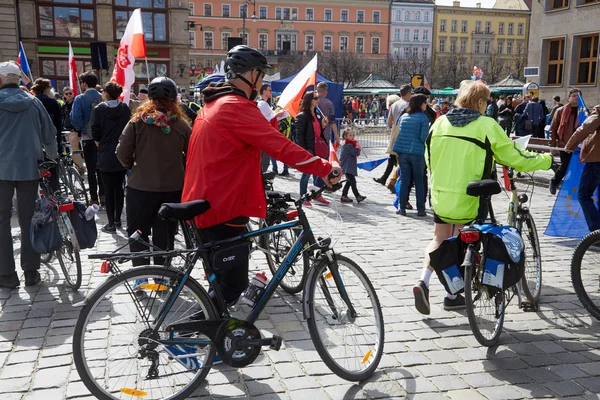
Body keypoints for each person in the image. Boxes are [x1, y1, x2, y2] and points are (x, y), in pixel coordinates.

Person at [181, 45, 340, 305]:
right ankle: (190, 338)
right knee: (233, 286)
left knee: (221, 283)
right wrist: (324, 168)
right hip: (223, 206)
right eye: (262, 76)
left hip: (205, 201)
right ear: (252, 75)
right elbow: (281, 147)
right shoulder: (235, 107)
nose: (263, 81)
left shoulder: (213, 104)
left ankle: (219, 338)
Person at [413, 80, 552, 315]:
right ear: (480, 102)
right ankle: (453, 293)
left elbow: (429, 158)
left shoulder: (439, 123)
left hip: (441, 194)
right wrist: (546, 161)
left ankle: (424, 281)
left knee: (439, 238)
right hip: (471, 195)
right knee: (464, 239)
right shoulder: (486, 125)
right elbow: (513, 156)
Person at [116, 77, 191, 266]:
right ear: (175, 100)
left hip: (140, 187)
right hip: (172, 188)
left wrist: (134, 167)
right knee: (164, 235)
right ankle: (162, 274)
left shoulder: (137, 122)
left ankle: (141, 275)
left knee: (137, 233)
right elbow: (193, 154)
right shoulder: (181, 126)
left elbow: (122, 152)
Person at [0, 61, 58, 288]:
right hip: (29, 168)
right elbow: (49, 134)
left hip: (1, 170)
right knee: (28, 219)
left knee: (2, 221)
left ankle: (6, 275)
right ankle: (31, 272)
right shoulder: (33, 102)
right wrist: (51, 158)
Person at [91, 82, 131, 233]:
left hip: (105, 153)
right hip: (121, 152)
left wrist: (101, 146)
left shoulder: (99, 109)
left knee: (108, 190)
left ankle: (111, 223)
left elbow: (96, 132)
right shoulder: (124, 108)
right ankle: (118, 220)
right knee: (119, 189)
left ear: (106, 93)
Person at [393, 94, 429, 217]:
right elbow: (423, 137)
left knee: (404, 181)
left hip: (403, 152)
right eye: (425, 102)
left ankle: (402, 208)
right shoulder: (423, 118)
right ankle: (421, 209)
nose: (426, 104)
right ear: (420, 104)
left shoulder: (404, 116)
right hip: (417, 152)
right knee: (419, 181)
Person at [71, 71, 104, 206]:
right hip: (103, 138)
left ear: (84, 84)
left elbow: (75, 120)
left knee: (91, 169)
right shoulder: (103, 97)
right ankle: (104, 195)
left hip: (87, 137)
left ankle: (93, 198)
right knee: (102, 168)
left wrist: (82, 128)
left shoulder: (79, 98)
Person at [565, 105, 600, 231]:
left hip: (596, 161)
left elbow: (584, 129)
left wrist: (570, 145)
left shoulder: (599, 112)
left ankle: (596, 233)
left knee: (584, 195)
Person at [295, 90, 331, 205]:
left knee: (319, 171)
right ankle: (303, 196)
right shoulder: (302, 116)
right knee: (307, 173)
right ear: (310, 100)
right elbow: (299, 135)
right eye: (315, 98)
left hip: (318, 147)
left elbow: (317, 131)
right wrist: (303, 150)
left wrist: (323, 125)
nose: (318, 100)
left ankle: (316, 194)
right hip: (309, 148)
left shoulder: (316, 114)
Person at [31, 78, 62, 193]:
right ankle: (54, 195)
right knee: (53, 170)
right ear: (45, 89)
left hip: (34, 142)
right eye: (50, 87)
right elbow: (58, 125)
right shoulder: (52, 102)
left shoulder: (32, 102)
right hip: (50, 140)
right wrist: (59, 144)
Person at [549, 88, 581, 194]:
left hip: (579, 145)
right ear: (569, 98)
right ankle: (554, 182)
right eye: (574, 95)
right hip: (565, 144)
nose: (576, 97)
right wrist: (552, 145)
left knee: (577, 168)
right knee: (565, 166)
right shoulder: (561, 111)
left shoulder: (583, 111)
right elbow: (553, 129)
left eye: (578, 95)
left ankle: (570, 188)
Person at [257, 83, 287, 174]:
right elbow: (263, 120)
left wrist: (279, 115)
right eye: (269, 90)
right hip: (263, 137)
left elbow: (270, 116)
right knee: (264, 159)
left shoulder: (264, 104)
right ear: (264, 91)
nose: (271, 92)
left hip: (265, 136)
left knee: (265, 159)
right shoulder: (262, 104)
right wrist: (276, 115)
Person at [374, 94, 401, 187]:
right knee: (392, 160)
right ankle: (384, 178)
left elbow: (389, 123)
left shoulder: (395, 109)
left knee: (398, 162)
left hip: (397, 139)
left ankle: (392, 181)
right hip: (397, 138)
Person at [339, 128, 366, 203]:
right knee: (352, 182)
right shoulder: (348, 145)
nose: (353, 137)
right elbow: (355, 152)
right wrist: (358, 148)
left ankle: (344, 196)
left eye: (353, 135)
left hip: (349, 166)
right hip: (348, 167)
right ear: (345, 136)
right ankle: (357, 196)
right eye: (350, 135)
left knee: (349, 182)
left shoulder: (349, 144)